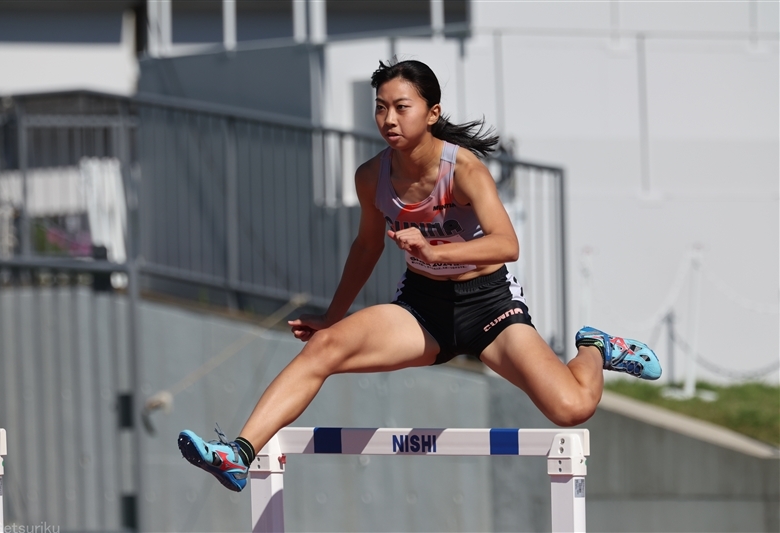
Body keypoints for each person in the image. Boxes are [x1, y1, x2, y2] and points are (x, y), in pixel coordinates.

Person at [178, 59, 661, 492]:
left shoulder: (464, 169)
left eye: (401, 107)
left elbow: (507, 243)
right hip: (422, 308)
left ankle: (595, 347)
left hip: (490, 306)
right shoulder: (371, 177)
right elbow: (367, 246)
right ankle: (238, 454)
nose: (388, 119)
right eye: (380, 108)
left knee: (571, 408)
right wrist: (332, 317)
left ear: (431, 113)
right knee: (321, 349)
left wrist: (433, 247)